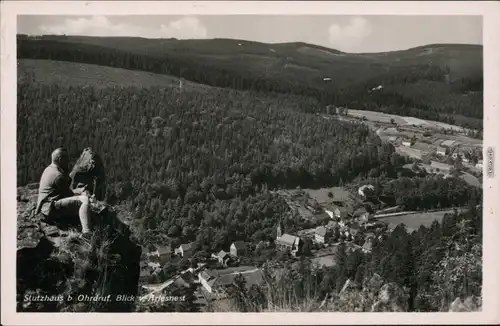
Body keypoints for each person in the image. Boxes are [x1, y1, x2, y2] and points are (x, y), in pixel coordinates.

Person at [35, 148, 93, 236]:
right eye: (66, 159)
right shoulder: (58, 176)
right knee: (84, 200)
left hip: (45, 207)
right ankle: (87, 232)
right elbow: (68, 194)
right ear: (60, 160)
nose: (68, 161)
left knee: (82, 198)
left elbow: (63, 191)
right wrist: (81, 192)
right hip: (51, 209)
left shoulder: (49, 169)